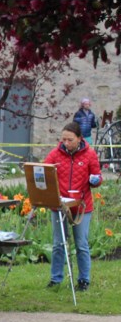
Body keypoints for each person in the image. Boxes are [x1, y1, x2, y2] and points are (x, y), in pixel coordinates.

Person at [44, 121, 102, 292]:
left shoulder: (89, 154)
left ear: (79, 139)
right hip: (60, 205)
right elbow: (43, 170)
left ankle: (84, 280)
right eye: (63, 140)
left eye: (70, 140)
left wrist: (96, 180)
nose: (66, 143)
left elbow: (98, 176)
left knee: (81, 244)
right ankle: (56, 279)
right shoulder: (55, 154)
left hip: (82, 206)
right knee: (58, 244)